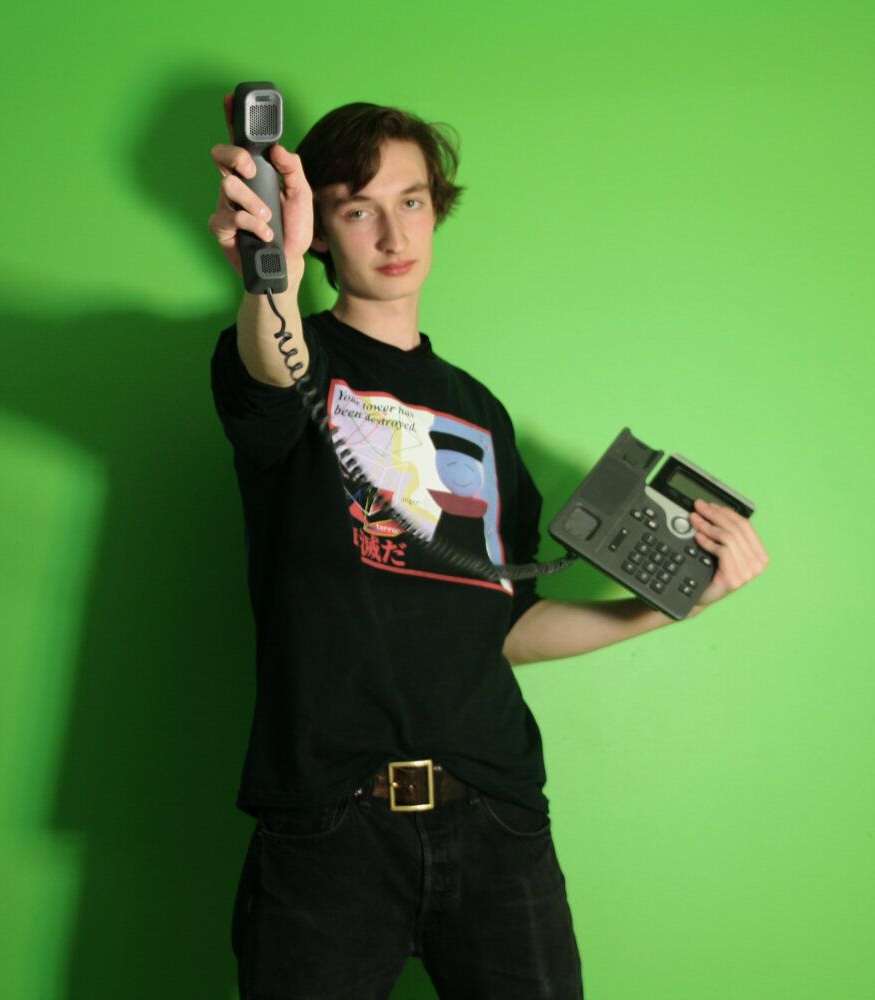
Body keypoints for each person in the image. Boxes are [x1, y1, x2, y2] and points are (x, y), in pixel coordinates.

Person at [208, 102, 768, 999]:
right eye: (358, 210)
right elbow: (273, 364)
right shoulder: (294, 350)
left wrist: (666, 605)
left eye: (414, 202)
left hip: (496, 815)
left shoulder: (480, 410)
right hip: (332, 824)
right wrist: (268, 261)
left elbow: (506, 624)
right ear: (321, 232)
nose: (394, 233)